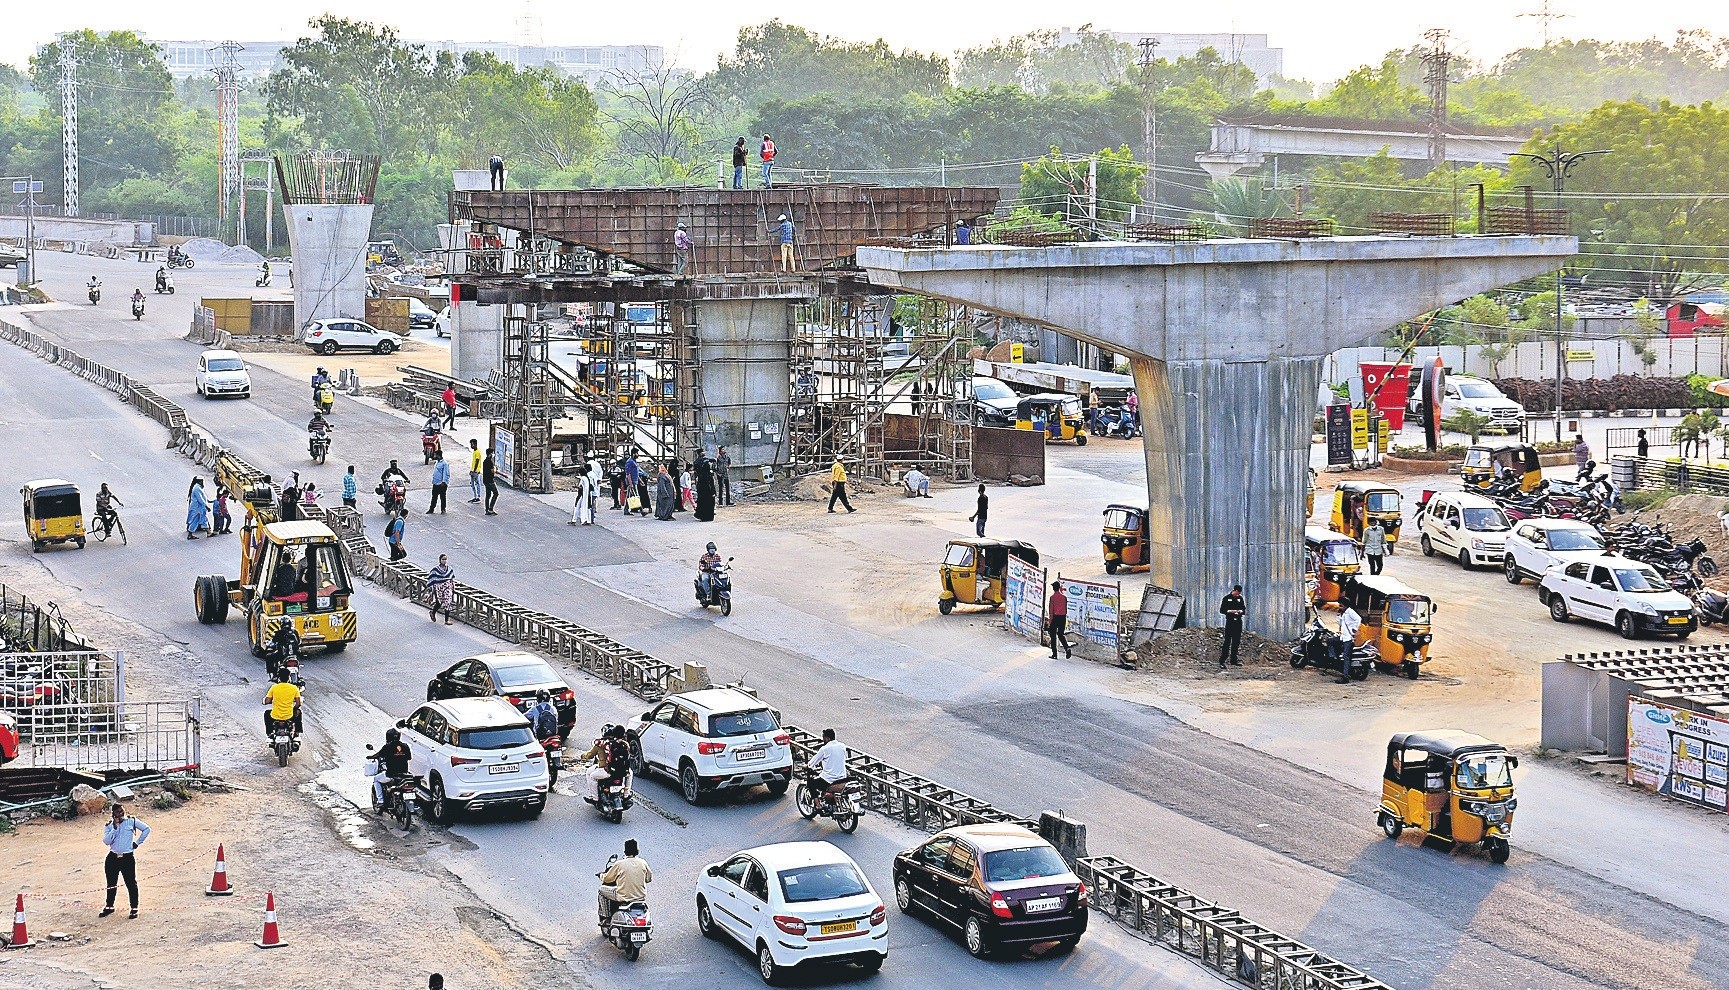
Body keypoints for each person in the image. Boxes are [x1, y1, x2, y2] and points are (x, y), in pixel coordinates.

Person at [100, 803, 150, 919]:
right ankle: (109, 906)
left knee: (131, 883)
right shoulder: (109, 826)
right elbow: (106, 841)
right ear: (113, 814)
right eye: (118, 812)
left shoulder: (131, 821)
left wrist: (137, 843)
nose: (121, 813)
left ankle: (134, 907)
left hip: (127, 857)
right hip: (113, 857)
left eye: (122, 811)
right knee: (111, 883)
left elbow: (146, 829)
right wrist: (115, 828)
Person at [598, 838, 653, 924]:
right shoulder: (643, 863)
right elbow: (649, 879)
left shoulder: (620, 864)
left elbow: (607, 879)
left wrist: (601, 875)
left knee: (601, 890)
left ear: (625, 851)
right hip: (640, 898)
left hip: (623, 896)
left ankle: (607, 918)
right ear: (637, 851)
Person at [371, 727, 413, 810]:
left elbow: (379, 754)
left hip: (391, 774)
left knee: (376, 779)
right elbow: (409, 757)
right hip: (404, 774)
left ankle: (381, 801)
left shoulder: (387, 747)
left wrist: (370, 757)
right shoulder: (405, 746)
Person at [807, 728, 850, 804]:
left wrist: (806, 766)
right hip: (842, 777)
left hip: (829, 780)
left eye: (823, 738)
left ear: (827, 738)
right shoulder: (842, 746)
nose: (823, 740)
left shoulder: (824, 749)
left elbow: (812, 763)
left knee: (811, 783)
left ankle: (817, 805)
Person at [262, 666, 302, 738]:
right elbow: (298, 703)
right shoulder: (294, 688)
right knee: (298, 712)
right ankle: (297, 733)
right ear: (289, 677)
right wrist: (294, 708)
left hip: (275, 715)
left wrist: (267, 701)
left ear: (279, 678)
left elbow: (267, 701)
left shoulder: (274, 687)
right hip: (289, 715)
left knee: (266, 714)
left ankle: (270, 733)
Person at [1218, 585, 1246, 668]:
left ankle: (1233, 660)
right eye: (1237, 593)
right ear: (1234, 590)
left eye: (1239, 594)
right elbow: (1222, 610)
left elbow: (1243, 609)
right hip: (1230, 621)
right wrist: (1231, 611)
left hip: (1238, 621)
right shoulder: (1226, 598)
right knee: (1227, 641)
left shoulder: (1240, 599)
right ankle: (1222, 660)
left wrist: (1240, 611)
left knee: (1236, 641)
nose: (1238, 595)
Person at [1336, 606, 1363, 684]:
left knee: (1346, 657)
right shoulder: (1344, 613)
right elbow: (1340, 623)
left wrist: (1354, 628)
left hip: (1348, 638)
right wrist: (1338, 615)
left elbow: (1358, 619)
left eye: (1341, 605)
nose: (1340, 607)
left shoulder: (1350, 612)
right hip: (1343, 637)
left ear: (1345, 605)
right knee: (1330, 641)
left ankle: (1345, 676)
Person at [426, 553, 455, 624]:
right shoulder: (435, 570)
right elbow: (432, 579)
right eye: (443, 559)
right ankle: (433, 612)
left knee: (448, 602)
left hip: (447, 588)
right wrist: (431, 592)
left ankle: (446, 620)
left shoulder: (449, 569)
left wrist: (453, 586)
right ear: (440, 560)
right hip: (439, 589)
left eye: (445, 559)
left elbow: (451, 578)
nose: (444, 561)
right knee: (439, 603)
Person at [1047, 583, 1073, 659]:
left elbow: (1051, 610)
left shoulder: (1052, 597)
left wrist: (1050, 622)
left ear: (1053, 588)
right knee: (1061, 634)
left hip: (1055, 617)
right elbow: (1065, 609)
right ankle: (1067, 648)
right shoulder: (1064, 597)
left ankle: (1054, 654)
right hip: (1062, 617)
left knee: (1053, 636)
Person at [694, 452, 716, 522]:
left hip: (701, 490)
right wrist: (712, 492)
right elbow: (709, 485)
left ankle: (701, 515)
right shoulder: (707, 475)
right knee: (708, 503)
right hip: (707, 492)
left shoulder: (701, 474)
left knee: (701, 502)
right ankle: (707, 516)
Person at [483, 449, 499, 515]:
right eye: (492, 453)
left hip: (485, 480)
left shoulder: (485, 461)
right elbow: (492, 471)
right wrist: (495, 469)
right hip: (490, 480)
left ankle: (487, 509)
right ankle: (490, 509)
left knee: (488, 495)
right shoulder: (490, 462)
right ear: (490, 454)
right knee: (496, 493)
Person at [468, 439, 484, 503]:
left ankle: (478, 497)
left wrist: (474, 470)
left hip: (476, 471)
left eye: (471, 444)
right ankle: (475, 496)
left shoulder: (477, 452)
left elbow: (477, 462)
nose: (471, 446)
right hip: (473, 470)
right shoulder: (474, 452)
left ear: (474, 444)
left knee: (477, 484)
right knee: (473, 484)